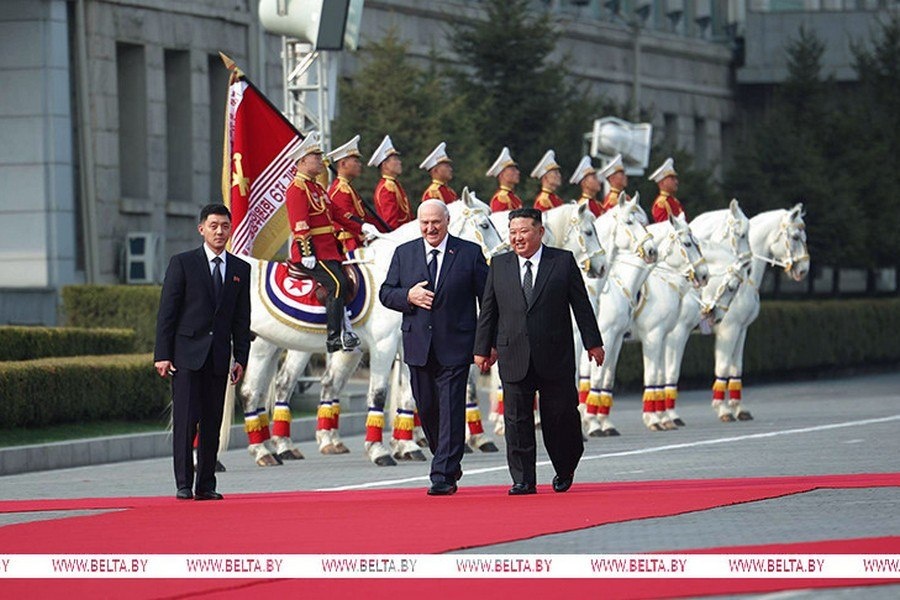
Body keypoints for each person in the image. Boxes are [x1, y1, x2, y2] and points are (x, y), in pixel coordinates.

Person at [474, 208, 604, 495]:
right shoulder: (499, 265)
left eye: (524, 231)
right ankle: (523, 479)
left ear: (540, 232)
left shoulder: (562, 261)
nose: (517, 238)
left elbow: (581, 305)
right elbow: (489, 311)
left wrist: (593, 342)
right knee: (516, 420)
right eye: (513, 232)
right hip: (513, 353)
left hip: (555, 355)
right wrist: (483, 348)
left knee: (560, 417)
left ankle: (565, 466)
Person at [379, 199, 489, 496]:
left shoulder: (469, 253)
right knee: (427, 407)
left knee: (451, 408)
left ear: (447, 221)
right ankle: (447, 458)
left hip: (456, 345)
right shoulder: (405, 253)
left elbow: (487, 301)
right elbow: (386, 293)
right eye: (425, 223)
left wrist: (487, 343)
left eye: (436, 222)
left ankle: (442, 474)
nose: (430, 228)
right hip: (418, 346)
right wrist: (408, 296)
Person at [154, 203, 251, 501]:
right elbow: (167, 313)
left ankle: (206, 485)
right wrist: (162, 354)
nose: (219, 231)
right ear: (201, 229)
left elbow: (241, 318)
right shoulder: (182, 263)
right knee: (186, 422)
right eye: (213, 226)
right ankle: (184, 483)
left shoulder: (240, 269)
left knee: (212, 423)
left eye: (225, 226)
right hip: (186, 356)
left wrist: (241, 358)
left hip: (219, 357)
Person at [286, 131, 375, 353]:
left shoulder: (317, 188)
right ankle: (335, 337)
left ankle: (349, 328)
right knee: (337, 284)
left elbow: (339, 213)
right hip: (313, 252)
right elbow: (300, 224)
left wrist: (361, 226)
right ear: (302, 161)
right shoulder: (297, 189)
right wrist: (306, 252)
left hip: (329, 250)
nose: (321, 160)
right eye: (316, 156)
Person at [326, 134, 375, 253]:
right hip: (349, 244)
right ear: (343, 164)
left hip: (358, 239)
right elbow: (346, 220)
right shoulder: (340, 190)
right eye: (355, 161)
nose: (359, 164)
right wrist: (361, 232)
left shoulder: (347, 187)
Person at [369, 135, 413, 230]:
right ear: (385, 165)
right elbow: (390, 221)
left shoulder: (394, 184)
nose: (399, 162)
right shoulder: (386, 188)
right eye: (395, 159)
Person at [486, 147, 523, 213]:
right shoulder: (500, 198)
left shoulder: (515, 198)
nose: (518, 172)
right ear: (502, 175)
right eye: (512, 170)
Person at [649, 157, 686, 223]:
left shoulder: (675, 201)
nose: (676, 182)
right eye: (672, 179)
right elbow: (664, 227)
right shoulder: (661, 203)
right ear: (662, 183)